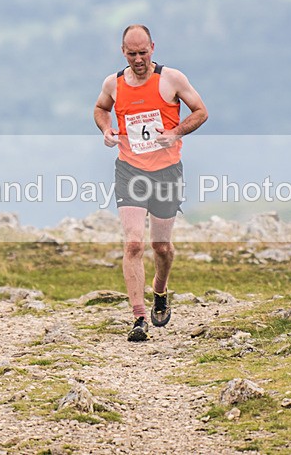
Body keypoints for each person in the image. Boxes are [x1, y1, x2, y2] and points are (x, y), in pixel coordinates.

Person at [94, 24, 208, 342]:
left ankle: (159, 289)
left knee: (161, 247)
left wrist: (175, 133)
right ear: (123, 52)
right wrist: (106, 129)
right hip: (129, 170)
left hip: (166, 173)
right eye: (132, 54)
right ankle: (139, 317)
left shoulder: (172, 79)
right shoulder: (113, 83)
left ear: (153, 48)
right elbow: (101, 108)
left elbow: (201, 111)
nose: (138, 59)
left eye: (143, 53)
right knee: (133, 243)